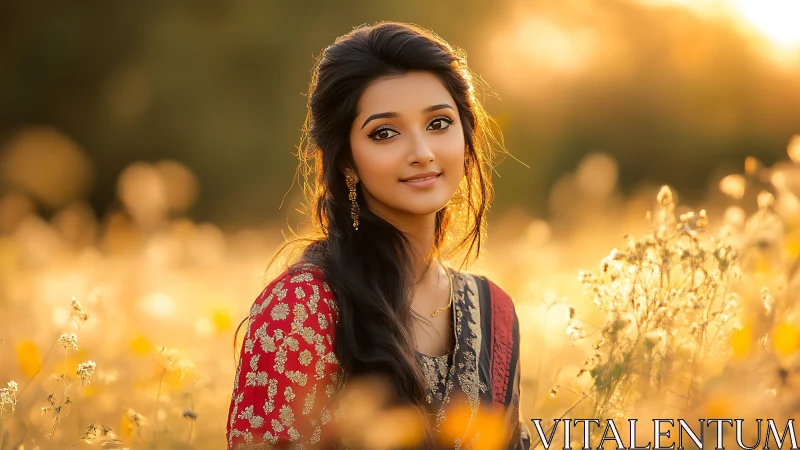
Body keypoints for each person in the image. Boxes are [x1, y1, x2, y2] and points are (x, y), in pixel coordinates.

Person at [226, 21, 531, 449]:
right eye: (385, 133)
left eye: (439, 124)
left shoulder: (493, 312)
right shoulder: (300, 311)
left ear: (465, 138)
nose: (422, 152)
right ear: (347, 162)